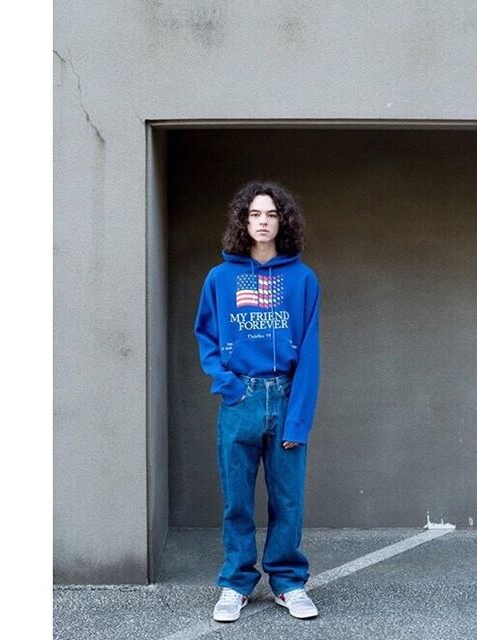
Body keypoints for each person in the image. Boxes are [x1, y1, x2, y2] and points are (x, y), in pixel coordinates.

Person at [193, 179, 322, 622]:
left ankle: (288, 582)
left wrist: (298, 420)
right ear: (243, 221)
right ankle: (235, 583)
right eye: (254, 214)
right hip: (240, 400)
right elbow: (206, 336)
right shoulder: (220, 278)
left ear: (282, 221)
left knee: (288, 500)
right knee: (237, 501)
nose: (263, 222)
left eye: (271, 214)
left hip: (284, 398)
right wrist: (229, 386)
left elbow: (310, 353)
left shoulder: (303, 279)